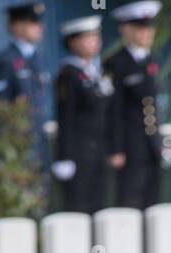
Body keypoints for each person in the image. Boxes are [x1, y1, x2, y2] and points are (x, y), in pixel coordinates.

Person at [103, 1, 166, 210]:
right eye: (141, 28)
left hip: (151, 145)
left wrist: (159, 141)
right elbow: (114, 110)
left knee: (152, 202)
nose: (147, 33)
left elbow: (153, 106)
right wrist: (117, 148)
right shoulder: (116, 63)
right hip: (130, 146)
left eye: (150, 28)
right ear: (126, 30)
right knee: (129, 201)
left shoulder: (150, 61)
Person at [52, 16, 113, 214]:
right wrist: (65, 156)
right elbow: (65, 118)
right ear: (73, 42)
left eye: (97, 37)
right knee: (78, 209)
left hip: (98, 152)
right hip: (78, 155)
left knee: (99, 207)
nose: (96, 42)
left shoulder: (95, 72)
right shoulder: (69, 74)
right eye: (89, 37)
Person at [0, 4, 51, 177]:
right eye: (33, 23)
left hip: (39, 142)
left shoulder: (38, 58)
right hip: (17, 144)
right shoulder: (5, 61)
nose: (40, 28)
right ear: (17, 26)